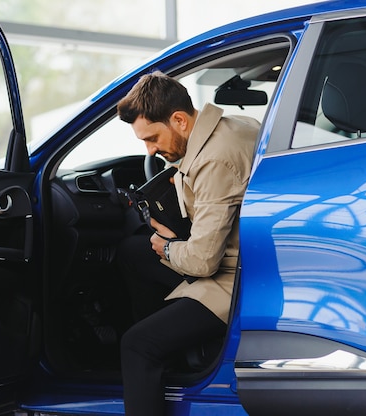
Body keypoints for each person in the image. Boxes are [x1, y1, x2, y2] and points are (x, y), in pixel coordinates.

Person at [116, 71, 259, 416]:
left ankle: (155, 351)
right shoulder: (236, 124)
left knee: (137, 345)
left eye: (152, 138)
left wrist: (165, 246)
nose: (150, 150)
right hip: (244, 255)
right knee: (132, 252)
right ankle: (174, 347)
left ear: (179, 120)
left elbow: (202, 262)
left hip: (232, 280)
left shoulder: (213, 160)